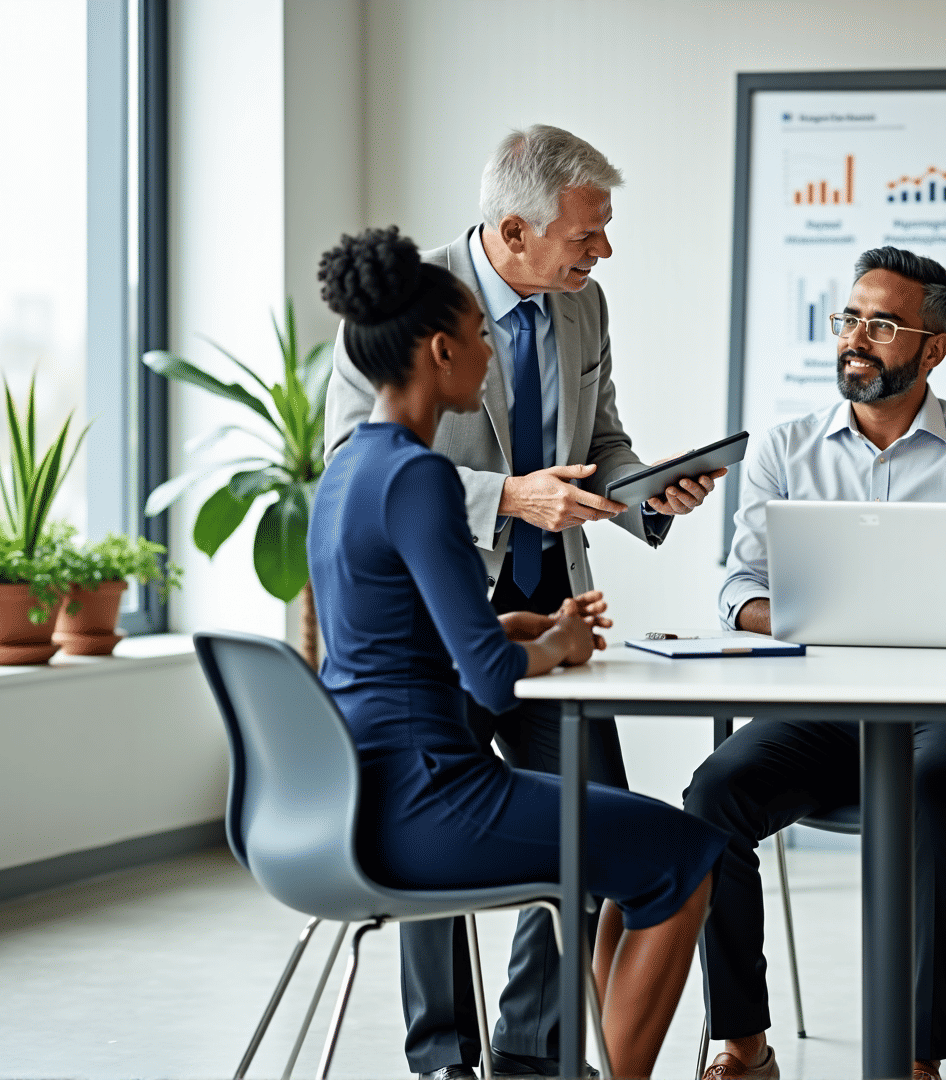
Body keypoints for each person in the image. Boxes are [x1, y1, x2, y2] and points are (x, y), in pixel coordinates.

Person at [322, 126, 720, 1080]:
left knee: (596, 815)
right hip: (443, 621)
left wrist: (644, 489)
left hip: (546, 605)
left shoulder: (585, 309)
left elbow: (605, 437)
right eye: (588, 235)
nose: (602, 252)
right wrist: (508, 494)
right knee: (451, 830)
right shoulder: (407, 311)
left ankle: (535, 1054)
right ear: (515, 227)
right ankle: (444, 1059)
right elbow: (353, 462)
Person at [685, 247, 946, 1080]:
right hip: (821, 711)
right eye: (850, 318)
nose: (857, 338)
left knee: (923, 794)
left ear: (933, 347)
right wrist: (807, 617)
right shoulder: (785, 449)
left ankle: (916, 1061)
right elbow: (739, 584)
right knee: (710, 797)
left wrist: (923, 613)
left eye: (883, 325)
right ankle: (742, 1042)